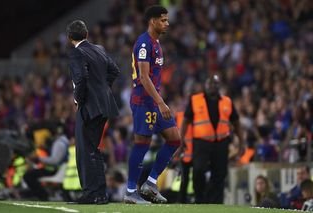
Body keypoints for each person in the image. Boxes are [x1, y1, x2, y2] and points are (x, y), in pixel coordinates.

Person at [124, 5, 181, 204]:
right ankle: (131, 191)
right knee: (142, 144)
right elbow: (144, 77)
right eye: (163, 20)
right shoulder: (143, 43)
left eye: (167, 20)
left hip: (154, 102)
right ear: (152, 21)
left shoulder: (156, 43)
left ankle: (150, 183)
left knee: (174, 139)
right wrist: (161, 102)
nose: (167, 23)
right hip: (143, 101)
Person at [66, 20, 120, 204]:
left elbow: (81, 77)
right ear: (87, 34)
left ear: (69, 38)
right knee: (93, 149)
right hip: (104, 106)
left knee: (84, 150)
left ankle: (91, 193)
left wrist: (78, 99)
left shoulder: (76, 52)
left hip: (88, 106)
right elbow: (114, 70)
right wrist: (102, 89)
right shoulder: (100, 49)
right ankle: (100, 194)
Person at [180, 75, 244, 204]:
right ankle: (199, 199)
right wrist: (181, 140)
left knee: (220, 173)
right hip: (201, 142)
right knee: (198, 170)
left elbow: (236, 122)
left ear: (219, 86)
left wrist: (242, 142)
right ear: (205, 85)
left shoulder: (227, 101)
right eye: (210, 83)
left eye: (215, 83)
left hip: (221, 142)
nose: (212, 86)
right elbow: (186, 121)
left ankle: (216, 202)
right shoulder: (195, 100)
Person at [23, 122, 69, 201]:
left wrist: (39, 159)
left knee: (28, 176)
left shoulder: (59, 143)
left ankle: (43, 196)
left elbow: (54, 160)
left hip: (54, 170)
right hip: (56, 169)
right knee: (31, 174)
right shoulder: (62, 141)